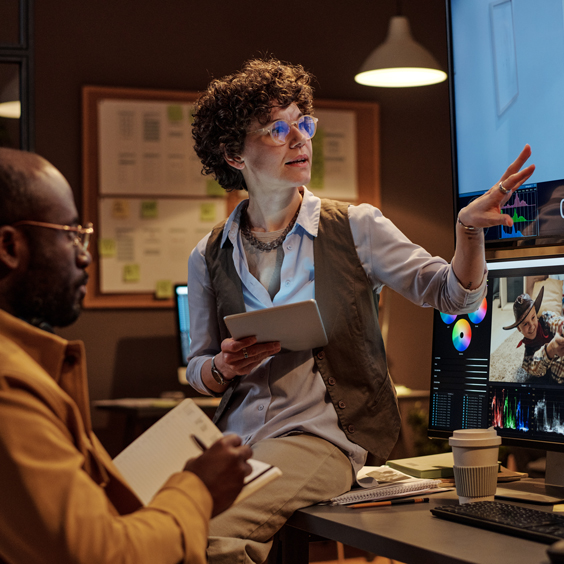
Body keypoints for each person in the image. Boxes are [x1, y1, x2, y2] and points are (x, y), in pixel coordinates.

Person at [186, 57, 536, 564]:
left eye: (303, 125)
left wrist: (467, 231)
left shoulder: (355, 226)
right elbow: (197, 369)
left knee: (211, 538)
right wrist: (221, 366)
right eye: (277, 130)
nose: (299, 140)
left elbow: (453, 296)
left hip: (324, 438)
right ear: (233, 154)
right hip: (236, 440)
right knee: (151, 526)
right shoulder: (209, 252)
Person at [0, 147, 253, 564]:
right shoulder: (11, 387)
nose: (85, 255)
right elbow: (99, 555)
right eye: (70, 234)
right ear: (9, 246)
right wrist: (198, 488)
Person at [503, 286, 564, 383]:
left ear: (536, 314)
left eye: (533, 317)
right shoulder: (528, 355)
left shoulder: (546, 319)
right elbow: (535, 369)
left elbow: (556, 322)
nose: (532, 326)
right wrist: (551, 348)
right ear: (519, 329)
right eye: (525, 324)